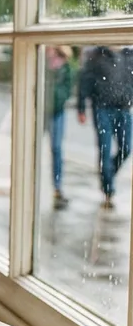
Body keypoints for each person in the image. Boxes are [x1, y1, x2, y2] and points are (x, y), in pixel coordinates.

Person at [77, 45, 133, 209]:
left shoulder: (129, 56)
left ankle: (107, 174)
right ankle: (108, 189)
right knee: (105, 148)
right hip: (102, 109)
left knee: (127, 148)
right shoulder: (96, 56)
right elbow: (85, 81)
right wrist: (81, 107)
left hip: (124, 109)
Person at [45, 46, 73, 211]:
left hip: (57, 112)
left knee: (56, 148)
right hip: (41, 110)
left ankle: (57, 186)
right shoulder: (42, 60)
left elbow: (67, 88)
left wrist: (57, 99)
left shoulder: (64, 65)